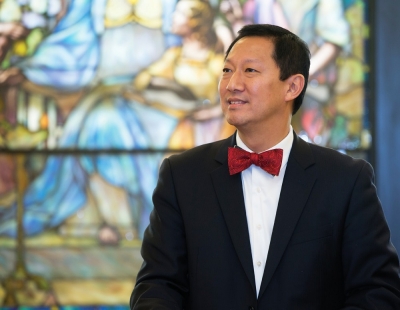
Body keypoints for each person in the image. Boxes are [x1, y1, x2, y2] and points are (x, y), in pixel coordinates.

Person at [130, 24, 400, 309]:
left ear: (292, 86)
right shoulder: (181, 176)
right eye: (226, 70)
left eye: (250, 71)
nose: (232, 84)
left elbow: (377, 291)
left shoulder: (346, 180)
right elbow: (157, 287)